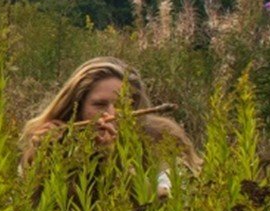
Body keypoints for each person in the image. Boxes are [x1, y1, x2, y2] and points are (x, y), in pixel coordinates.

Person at [19, 56, 199, 199]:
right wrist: (42, 160)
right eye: (99, 105)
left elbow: (165, 203)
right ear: (77, 107)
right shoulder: (57, 141)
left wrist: (113, 162)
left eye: (123, 104)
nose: (110, 115)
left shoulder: (161, 140)